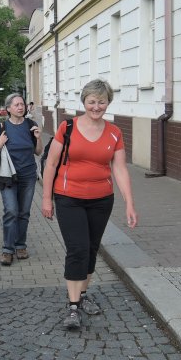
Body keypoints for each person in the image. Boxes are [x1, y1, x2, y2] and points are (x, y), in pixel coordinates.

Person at [41, 79, 138, 331]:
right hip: (68, 197)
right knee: (78, 248)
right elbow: (51, 164)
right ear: (84, 102)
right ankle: (72, 306)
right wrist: (46, 198)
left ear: (108, 103)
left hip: (101, 199)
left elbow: (119, 168)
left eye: (101, 102)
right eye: (92, 101)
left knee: (92, 248)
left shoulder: (114, 132)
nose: (96, 106)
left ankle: (83, 296)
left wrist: (129, 203)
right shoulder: (68, 127)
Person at [0, 93, 42, 266]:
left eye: (22, 104)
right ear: (8, 109)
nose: (21, 107)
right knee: (11, 210)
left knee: (24, 212)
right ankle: (7, 249)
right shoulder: (1, 127)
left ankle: (20, 245)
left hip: (28, 175)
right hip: (7, 176)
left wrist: (38, 138)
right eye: (16, 105)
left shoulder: (31, 125)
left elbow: (38, 152)